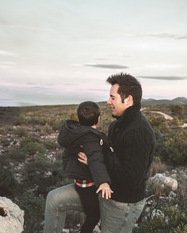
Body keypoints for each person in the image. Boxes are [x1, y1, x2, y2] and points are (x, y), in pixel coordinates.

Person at [79, 73, 156, 233]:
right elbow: (111, 157)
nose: (108, 102)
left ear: (128, 100)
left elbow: (131, 179)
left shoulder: (139, 132)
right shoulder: (116, 125)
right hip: (107, 191)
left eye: (112, 98)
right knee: (54, 200)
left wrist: (95, 162)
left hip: (123, 204)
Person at [43, 101, 113, 233]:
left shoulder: (75, 132)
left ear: (79, 120)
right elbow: (96, 159)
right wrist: (103, 181)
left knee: (92, 212)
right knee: (94, 215)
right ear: (98, 119)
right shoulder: (90, 138)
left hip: (80, 181)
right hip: (88, 185)